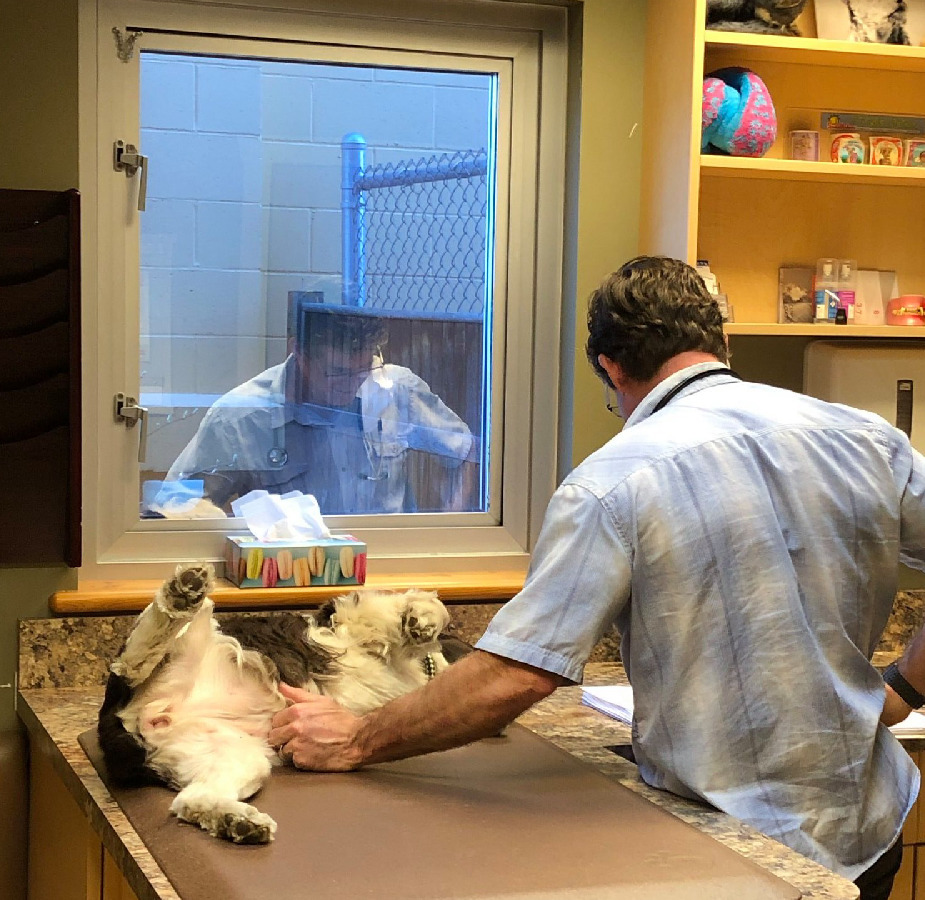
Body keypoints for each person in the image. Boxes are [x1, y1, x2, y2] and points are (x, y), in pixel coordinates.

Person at [268, 256, 925, 899]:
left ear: (609, 367)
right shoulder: (866, 437)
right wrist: (903, 686)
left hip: (728, 845)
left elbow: (518, 672)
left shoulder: (613, 481)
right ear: (719, 342)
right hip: (862, 828)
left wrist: (357, 738)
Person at [154, 305, 476, 516]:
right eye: (337, 372)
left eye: (363, 369)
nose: (352, 384)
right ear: (300, 354)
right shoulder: (240, 417)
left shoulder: (397, 390)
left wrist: (449, 527)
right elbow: (173, 507)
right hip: (294, 584)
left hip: (391, 579)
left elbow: (464, 451)